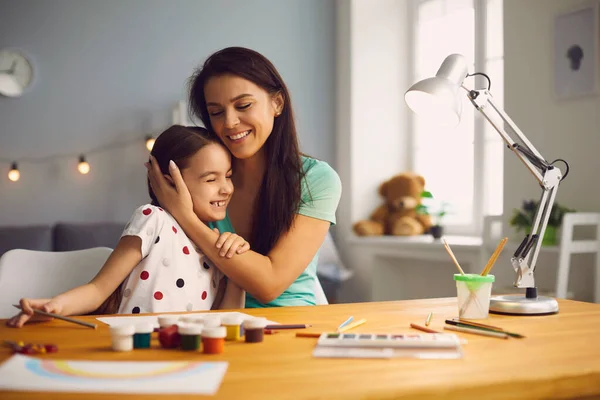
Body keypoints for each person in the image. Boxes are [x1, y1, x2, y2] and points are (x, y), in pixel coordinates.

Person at [148, 47, 342, 307]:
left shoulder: (315, 179)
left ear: (277, 103)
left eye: (243, 105)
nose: (229, 122)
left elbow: (269, 284)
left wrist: (185, 215)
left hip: (291, 329)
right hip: (216, 329)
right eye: (216, 112)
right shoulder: (200, 181)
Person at [7, 125, 248, 328]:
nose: (226, 188)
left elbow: (224, 321)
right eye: (211, 179)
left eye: (227, 176)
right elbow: (98, 290)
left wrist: (238, 270)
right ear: (170, 182)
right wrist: (54, 306)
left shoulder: (217, 243)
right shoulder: (153, 220)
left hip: (186, 354)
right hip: (135, 348)